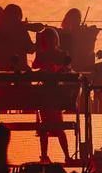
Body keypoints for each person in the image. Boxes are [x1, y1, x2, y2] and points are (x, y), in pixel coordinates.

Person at [32, 27, 74, 163]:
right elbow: (35, 65)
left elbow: (68, 68)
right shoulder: (42, 54)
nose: (50, 41)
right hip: (48, 92)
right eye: (48, 39)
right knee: (48, 126)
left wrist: (56, 67)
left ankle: (63, 156)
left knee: (55, 126)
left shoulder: (62, 54)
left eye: (52, 38)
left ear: (56, 39)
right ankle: (49, 155)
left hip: (55, 92)